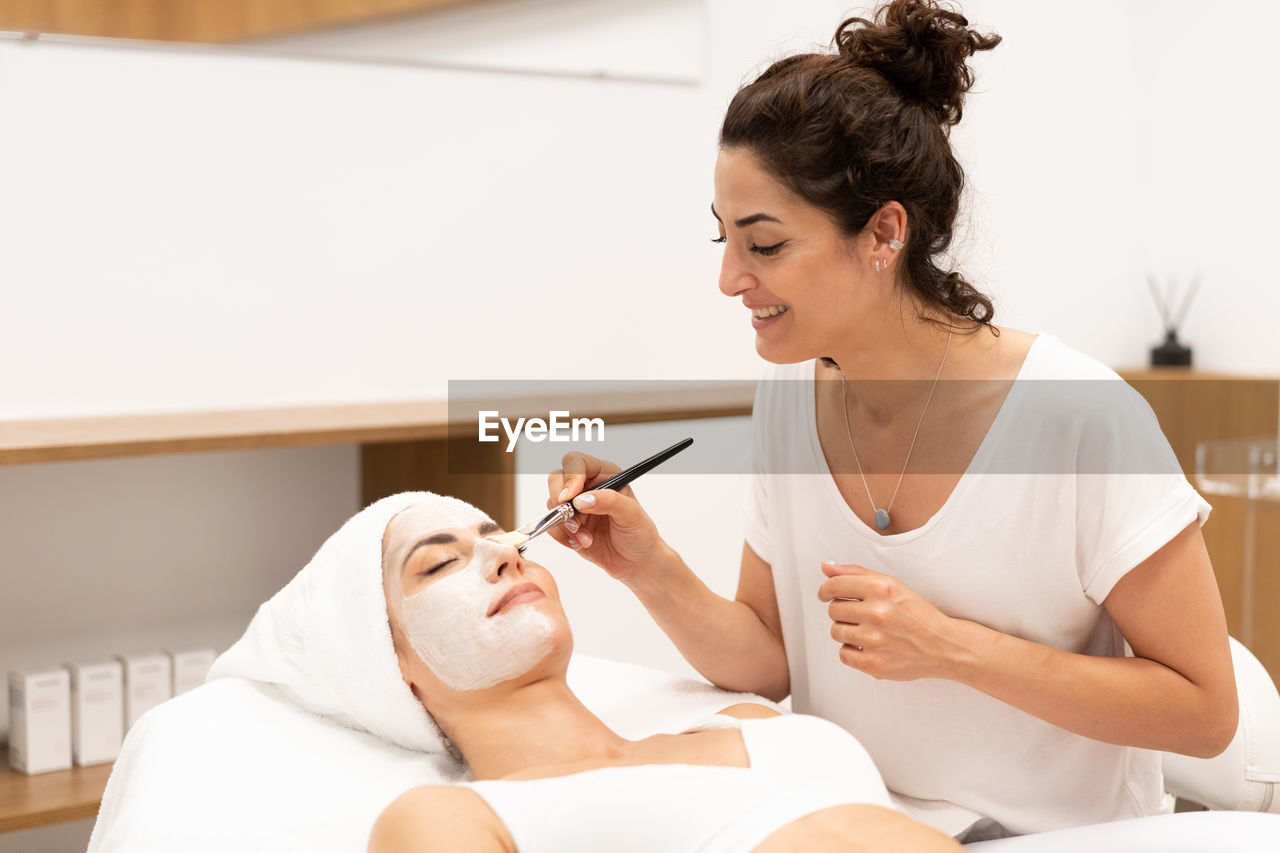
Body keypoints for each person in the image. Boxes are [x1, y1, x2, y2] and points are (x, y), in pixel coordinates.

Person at [541, 0, 1238, 840]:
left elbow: (1205, 712)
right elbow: (769, 662)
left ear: (883, 233)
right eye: (722, 238)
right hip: (853, 821)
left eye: (763, 246)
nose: (730, 279)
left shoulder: (1080, 419)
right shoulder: (792, 396)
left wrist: (951, 648)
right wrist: (646, 564)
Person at [367, 493, 960, 852]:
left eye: (505, 541)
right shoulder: (450, 818)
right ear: (392, 666)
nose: (505, 554)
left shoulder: (745, 720)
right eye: (441, 562)